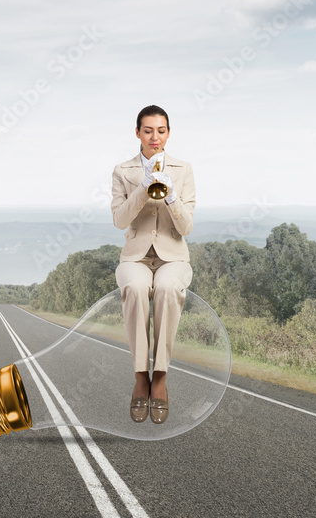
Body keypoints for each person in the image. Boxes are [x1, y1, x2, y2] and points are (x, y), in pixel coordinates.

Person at [110, 105, 195, 424]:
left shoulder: (183, 169)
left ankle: (159, 377)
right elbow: (120, 221)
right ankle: (140, 376)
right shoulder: (122, 171)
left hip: (173, 255)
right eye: (148, 131)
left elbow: (186, 228)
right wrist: (142, 189)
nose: (154, 137)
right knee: (133, 286)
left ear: (168, 133)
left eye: (161, 131)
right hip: (135, 256)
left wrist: (171, 195)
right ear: (137, 133)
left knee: (168, 288)